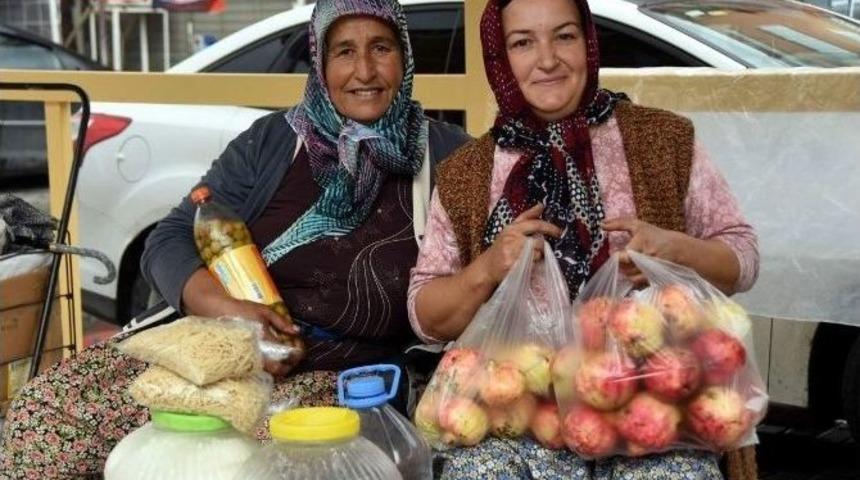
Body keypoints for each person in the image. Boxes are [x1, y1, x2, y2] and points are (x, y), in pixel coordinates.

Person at [0, 0, 469, 477]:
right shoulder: (273, 143)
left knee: (257, 459)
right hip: (217, 347)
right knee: (47, 410)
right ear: (321, 64)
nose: (364, 70)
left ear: (405, 57)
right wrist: (236, 315)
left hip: (340, 378)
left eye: (381, 47)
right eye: (344, 51)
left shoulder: (447, 157)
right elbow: (172, 238)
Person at [408, 0, 759, 478]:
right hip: (517, 418)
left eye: (565, 36)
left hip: (647, 399)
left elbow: (742, 259)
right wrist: (488, 269)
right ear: (500, 56)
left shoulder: (663, 139)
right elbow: (426, 317)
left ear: (589, 43)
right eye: (523, 42)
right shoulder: (466, 174)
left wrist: (673, 248)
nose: (548, 58)